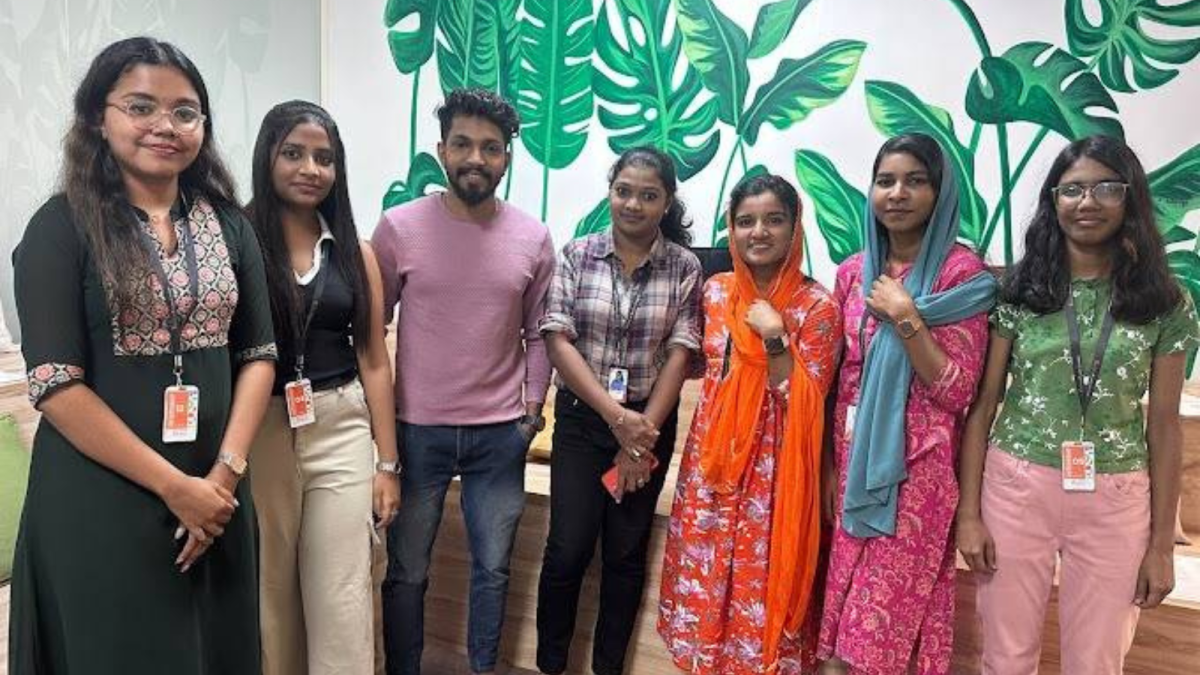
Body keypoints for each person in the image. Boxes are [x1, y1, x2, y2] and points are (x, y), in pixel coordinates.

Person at [8, 37, 276, 673]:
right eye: (140, 106)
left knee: (219, 652)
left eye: (185, 112)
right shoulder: (60, 227)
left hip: (217, 499)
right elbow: (57, 387)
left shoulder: (230, 226)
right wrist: (176, 488)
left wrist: (223, 478)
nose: (165, 125)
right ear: (98, 118)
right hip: (102, 503)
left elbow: (259, 355)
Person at [957, 135, 1199, 674]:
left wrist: (1162, 545)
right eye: (1072, 190)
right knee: (1005, 658)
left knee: (1097, 662)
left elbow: (1165, 426)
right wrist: (969, 514)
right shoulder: (1021, 290)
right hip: (1017, 486)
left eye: (1105, 188)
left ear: (1130, 198)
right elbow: (983, 405)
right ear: (1054, 201)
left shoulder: (1165, 301)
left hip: (1116, 496)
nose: (1087, 202)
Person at [372, 87, 555, 675]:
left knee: (493, 569)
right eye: (463, 144)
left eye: (491, 148)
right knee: (407, 572)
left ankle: (482, 668)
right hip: (415, 432)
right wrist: (382, 436)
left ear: (507, 158)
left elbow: (539, 334)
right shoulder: (398, 228)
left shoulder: (533, 237)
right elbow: (372, 329)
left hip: (500, 436)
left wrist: (530, 413)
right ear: (442, 150)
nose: (476, 158)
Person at [818, 133, 997, 674]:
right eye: (886, 181)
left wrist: (906, 317)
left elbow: (956, 390)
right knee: (849, 624)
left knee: (881, 630)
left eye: (915, 181)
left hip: (918, 476)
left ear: (939, 193)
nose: (897, 193)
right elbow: (840, 380)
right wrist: (829, 466)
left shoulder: (962, 276)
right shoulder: (853, 272)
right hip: (853, 464)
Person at [658, 174, 840, 674]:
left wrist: (775, 337)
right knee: (704, 592)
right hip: (713, 470)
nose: (758, 232)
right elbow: (697, 366)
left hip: (775, 476)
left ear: (794, 228)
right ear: (732, 230)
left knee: (756, 603)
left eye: (773, 220)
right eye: (746, 222)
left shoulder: (818, 307)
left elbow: (805, 402)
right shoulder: (715, 292)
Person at [245, 100, 402, 675]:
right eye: (293, 153)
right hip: (261, 428)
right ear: (267, 157)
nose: (311, 169)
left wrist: (388, 464)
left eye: (324, 158)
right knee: (272, 591)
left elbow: (374, 360)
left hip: (341, 424)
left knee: (342, 590)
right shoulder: (236, 240)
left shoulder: (356, 252)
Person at [535, 147, 703, 675]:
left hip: (650, 423)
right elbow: (557, 339)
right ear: (610, 191)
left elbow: (681, 351)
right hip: (584, 419)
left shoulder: (684, 266)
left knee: (625, 556)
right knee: (567, 549)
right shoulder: (577, 254)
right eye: (624, 191)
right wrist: (616, 418)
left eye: (648, 195)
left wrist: (640, 435)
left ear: (666, 202)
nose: (633, 204)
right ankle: (551, 665)